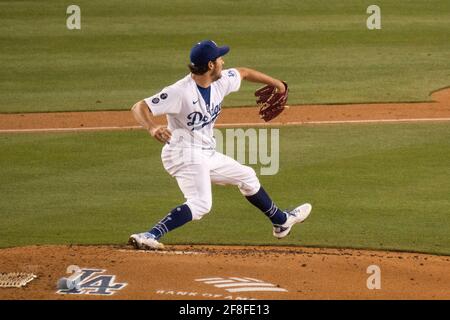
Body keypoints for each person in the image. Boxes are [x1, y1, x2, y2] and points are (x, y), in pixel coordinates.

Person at [128, 40, 311, 250]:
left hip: (206, 153)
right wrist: (152, 127)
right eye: (219, 58)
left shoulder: (220, 81)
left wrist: (277, 84)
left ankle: (281, 221)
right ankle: (149, 235)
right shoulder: (179, 92)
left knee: (247, 176)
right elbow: (138, 107)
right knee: (201, 204)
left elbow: (243, 72)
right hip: (183, 153)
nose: (223, 61)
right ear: (210, 65)